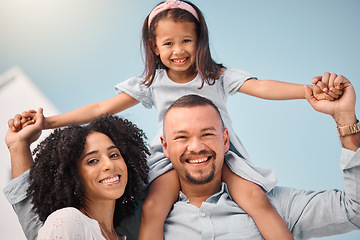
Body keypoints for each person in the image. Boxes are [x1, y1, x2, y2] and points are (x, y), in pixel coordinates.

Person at [8, 1, 342, 239]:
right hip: (171, 159)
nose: (178, 50)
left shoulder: (217, 76)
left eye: (186, 40)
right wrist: (49, 122)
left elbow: (262, 86)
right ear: (153, 46)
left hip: (221, 156)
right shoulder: (152, 83)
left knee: (257, 200)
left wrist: (308, 91)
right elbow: (99, 109)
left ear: (200, 41)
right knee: (153, 206)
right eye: (168, 43)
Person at [159, 74, 360, 239]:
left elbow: (355, 211)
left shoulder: (276, 206)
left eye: (207, 134)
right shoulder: (145, 217)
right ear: (165, 147)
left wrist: (345, 118)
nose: (196, 147)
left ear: (225, 140)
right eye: (182, 137)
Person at [5, 113, 149, 240]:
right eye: (92, 161)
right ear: (71, 177)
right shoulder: (67, 221)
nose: (109, 165)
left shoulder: (123, 234)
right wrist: (18, 145)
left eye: (114, 155)